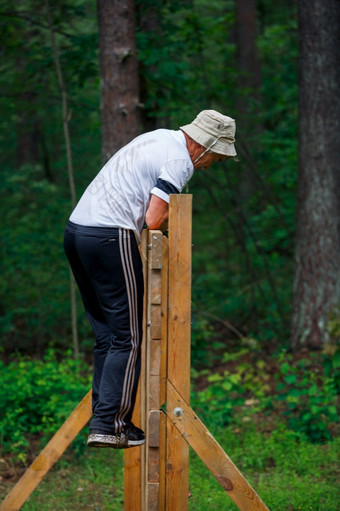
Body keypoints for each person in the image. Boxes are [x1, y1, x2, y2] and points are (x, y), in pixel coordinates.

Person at [64, 110, 236, 449]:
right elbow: (154, 219)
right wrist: (180, 222)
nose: (211, 164)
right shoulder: (180, 161)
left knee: (107, 336)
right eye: (216, 156)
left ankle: (105, 420)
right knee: (129, 336)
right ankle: (112, 425)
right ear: (204, 145)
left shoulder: (159, 138)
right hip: (109, 236)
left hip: (76, 233)